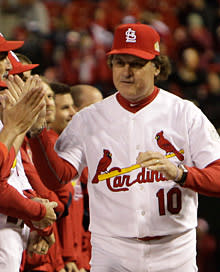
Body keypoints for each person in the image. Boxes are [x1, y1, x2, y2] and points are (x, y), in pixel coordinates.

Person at [28, 23, 220, 272]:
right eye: (119, 63)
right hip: (112, 251)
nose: (126, 72)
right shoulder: (89, 117)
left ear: (157, 67)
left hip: (174, 250)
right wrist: (37, 134)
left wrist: (182, 174)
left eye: (136, 64)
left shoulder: (184, 113)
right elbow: (57, 178)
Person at [0, 34, 57, 271]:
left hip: (14, 227)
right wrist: (39, 213)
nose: (7, 65)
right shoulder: (9, 121)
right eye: (2, 57)